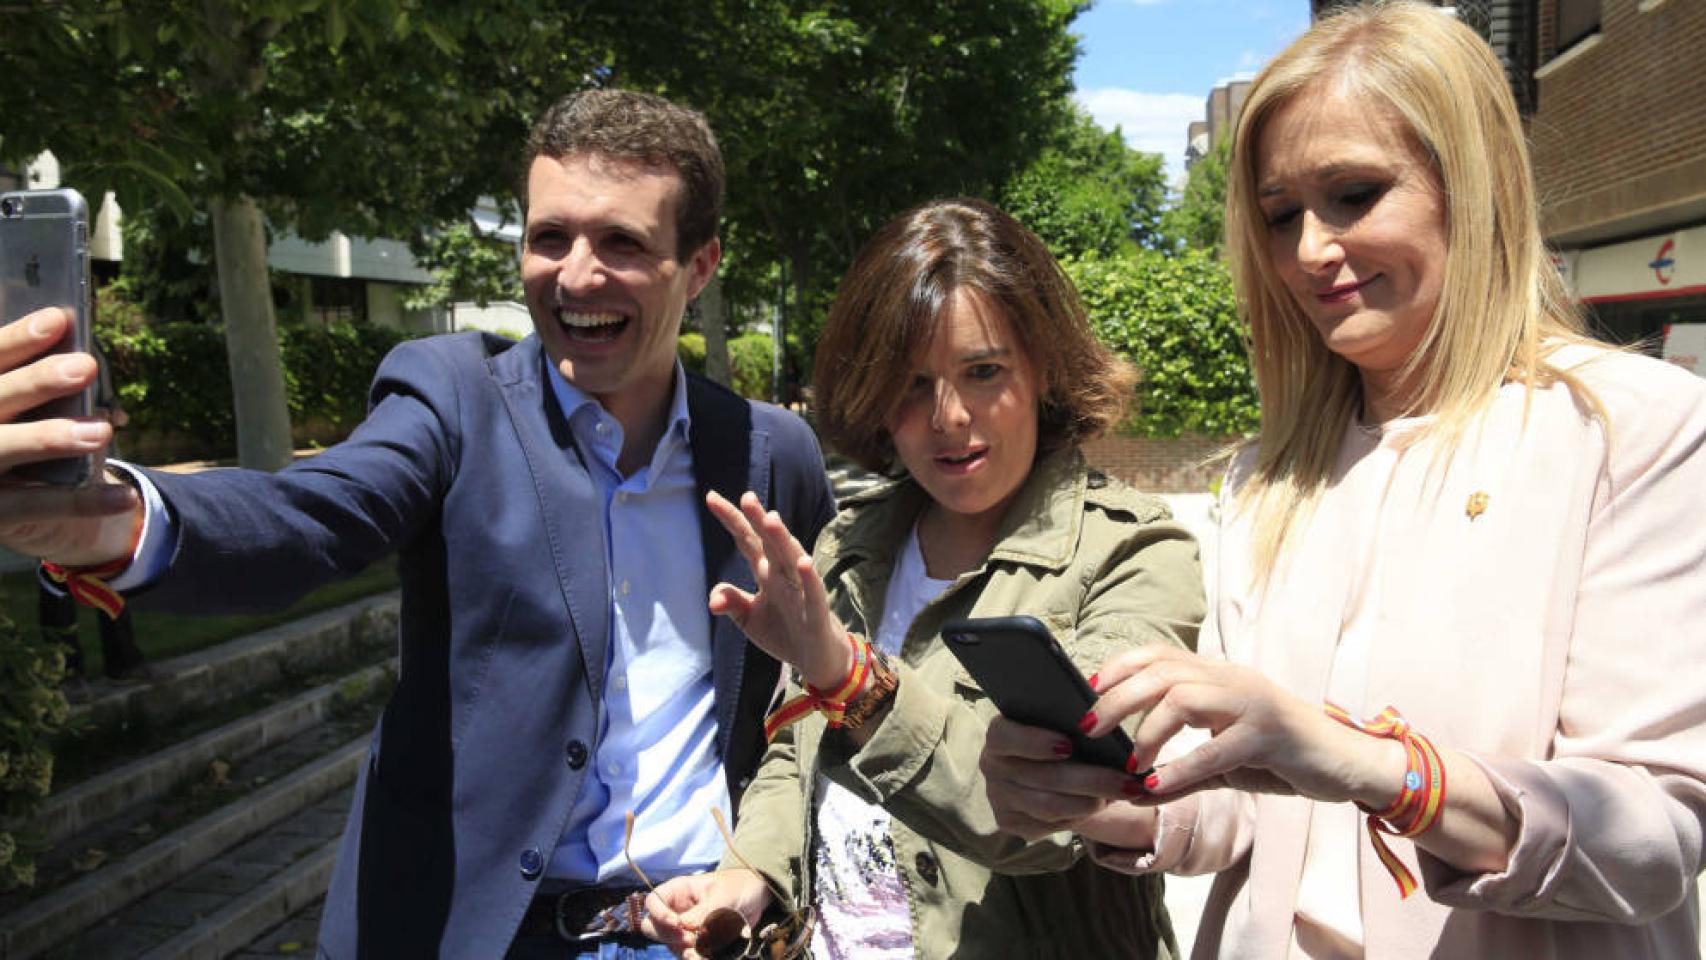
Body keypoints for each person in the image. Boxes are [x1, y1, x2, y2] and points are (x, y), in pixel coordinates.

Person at [0, 89, 835, 959]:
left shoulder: (773, 455)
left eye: (622, 242)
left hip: (704, 932)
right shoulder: (450, 396)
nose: (576, 276)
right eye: (550, 236)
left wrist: (763, 871)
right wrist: (120, 518)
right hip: (471, 932)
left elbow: (813, 691)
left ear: (699, 267)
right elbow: (312, 518)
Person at [979, 4, 1706, 958]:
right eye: (1281, 216)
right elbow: (1249, 816)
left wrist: (1374, 768)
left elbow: (1656, 835)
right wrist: (1106, 801)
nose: (1310, 251)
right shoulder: (1265, 478)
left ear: (1471, 184)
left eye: (1355, 194)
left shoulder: (1629, 429)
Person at [640, 198, 1206, 960]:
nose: (947, 417)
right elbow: (795, 749)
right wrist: (744, 879)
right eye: (910, 384)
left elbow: (1061, 811)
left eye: (983, 372)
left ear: (1043, 367)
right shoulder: (851, 543)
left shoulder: (1134, 553)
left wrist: (852, 680)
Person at [38, 337, 148, 699]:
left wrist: (114, 414)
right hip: (57, 475)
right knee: (57, 576)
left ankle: (123, 660)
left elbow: (111, 401)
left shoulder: (93, 341)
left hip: (101, 469)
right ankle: (66, 672)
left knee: (112, 565)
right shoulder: (45, 344)